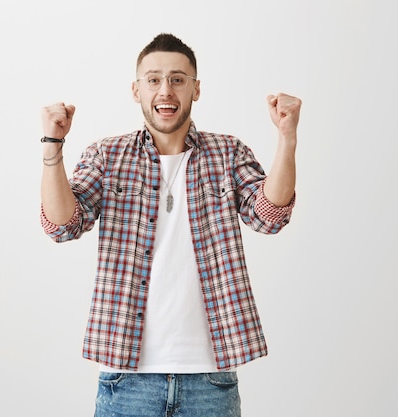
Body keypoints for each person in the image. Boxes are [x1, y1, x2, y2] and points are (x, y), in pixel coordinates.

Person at [39, 33, 301, 417]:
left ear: (196, 89)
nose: (166, 90)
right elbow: (62, 225)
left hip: (210, 381)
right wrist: (51, 147)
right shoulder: (106, 155)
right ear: (136, 90)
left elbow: (269, 215)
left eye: (178, 79)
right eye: (154, 79)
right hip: (126, 380)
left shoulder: (228, 152)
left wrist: (287, 139)